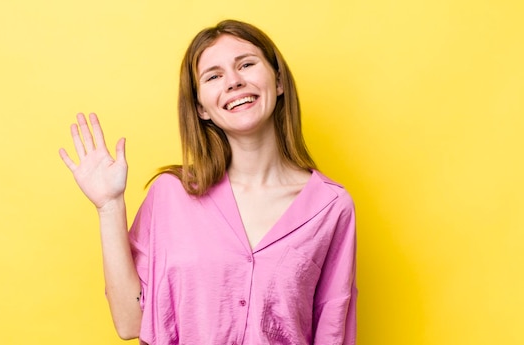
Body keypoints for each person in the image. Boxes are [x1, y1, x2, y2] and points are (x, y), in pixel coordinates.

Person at [60, 19, 356, 345]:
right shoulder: (170, 195)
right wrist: (109, 206)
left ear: (279, 80)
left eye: (246, 64)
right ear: (201, 107)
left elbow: (333, 332)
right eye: (214, 76)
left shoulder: (331, 207)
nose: (234, 81)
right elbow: (130, 322)